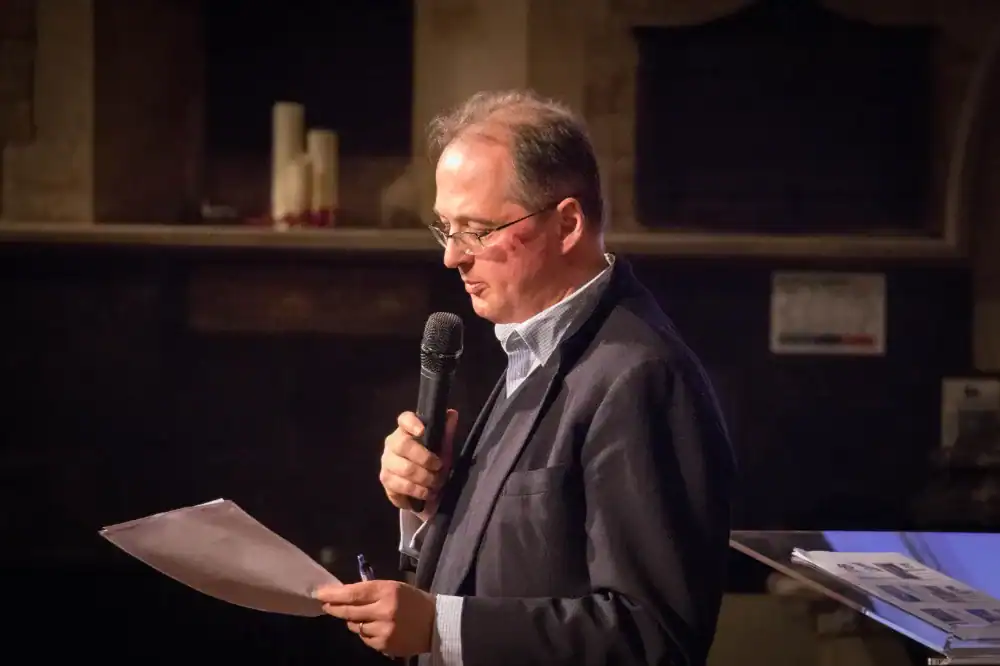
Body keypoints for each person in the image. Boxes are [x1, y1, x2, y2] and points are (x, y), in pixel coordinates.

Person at [315, 89, 736, 666]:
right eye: (446, 230)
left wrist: (439, 626)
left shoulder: (640, 375)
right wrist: (426, 508)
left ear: (566, 223)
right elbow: (512, 561)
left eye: (478, 230)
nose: (452, 258)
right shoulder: (533, 344)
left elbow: (652, 637)